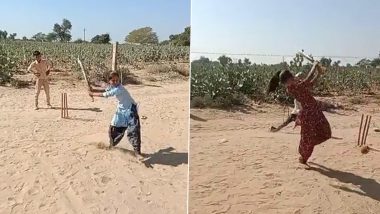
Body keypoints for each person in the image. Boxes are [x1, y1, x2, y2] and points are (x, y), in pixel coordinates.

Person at [267, 62, 332, 165]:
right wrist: (314, 67)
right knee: (307, 137)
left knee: (326, 132)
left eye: (291, 78)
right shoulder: (292, 88)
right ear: (286, 83)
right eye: (289, 81)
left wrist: (318, 73)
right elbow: (307, 80)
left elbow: (310, 83)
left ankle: (307, 149)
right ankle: (303, 157)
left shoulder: (297, 83)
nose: (292, 80)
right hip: (308, 113)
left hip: (315, 110)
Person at [88, 71, 142, 156]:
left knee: (133, 131)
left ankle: (137, 152)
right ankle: (112, 145)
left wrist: (93, 94)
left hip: (131, 110)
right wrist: (93, 90)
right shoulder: (112, 86)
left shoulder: (119, 88)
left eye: (117, 80)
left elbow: (107, 94)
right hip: (121, 110)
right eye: (113, 81)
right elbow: (106, 89)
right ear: (109, 81)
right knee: (114, 127)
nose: (115, 82)